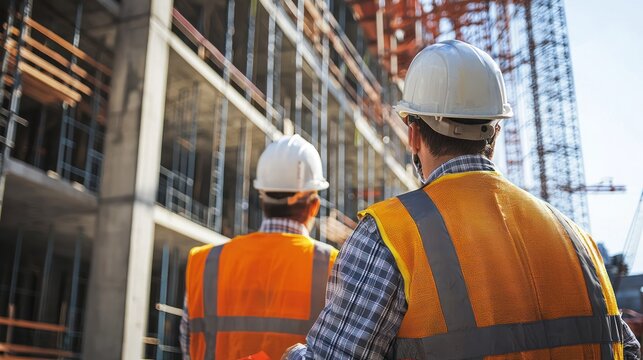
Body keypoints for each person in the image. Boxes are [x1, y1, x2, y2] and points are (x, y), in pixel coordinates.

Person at [284, 40, 640, 359]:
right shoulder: (578, 240)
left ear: (413, 135)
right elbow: (627, 349)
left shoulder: (390, 235)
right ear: (495, 133)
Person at [180, 135, 338, 359]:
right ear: (313, 207)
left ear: (262, 200)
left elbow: (188, 346)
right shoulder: (335, 266)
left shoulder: (204, 262)